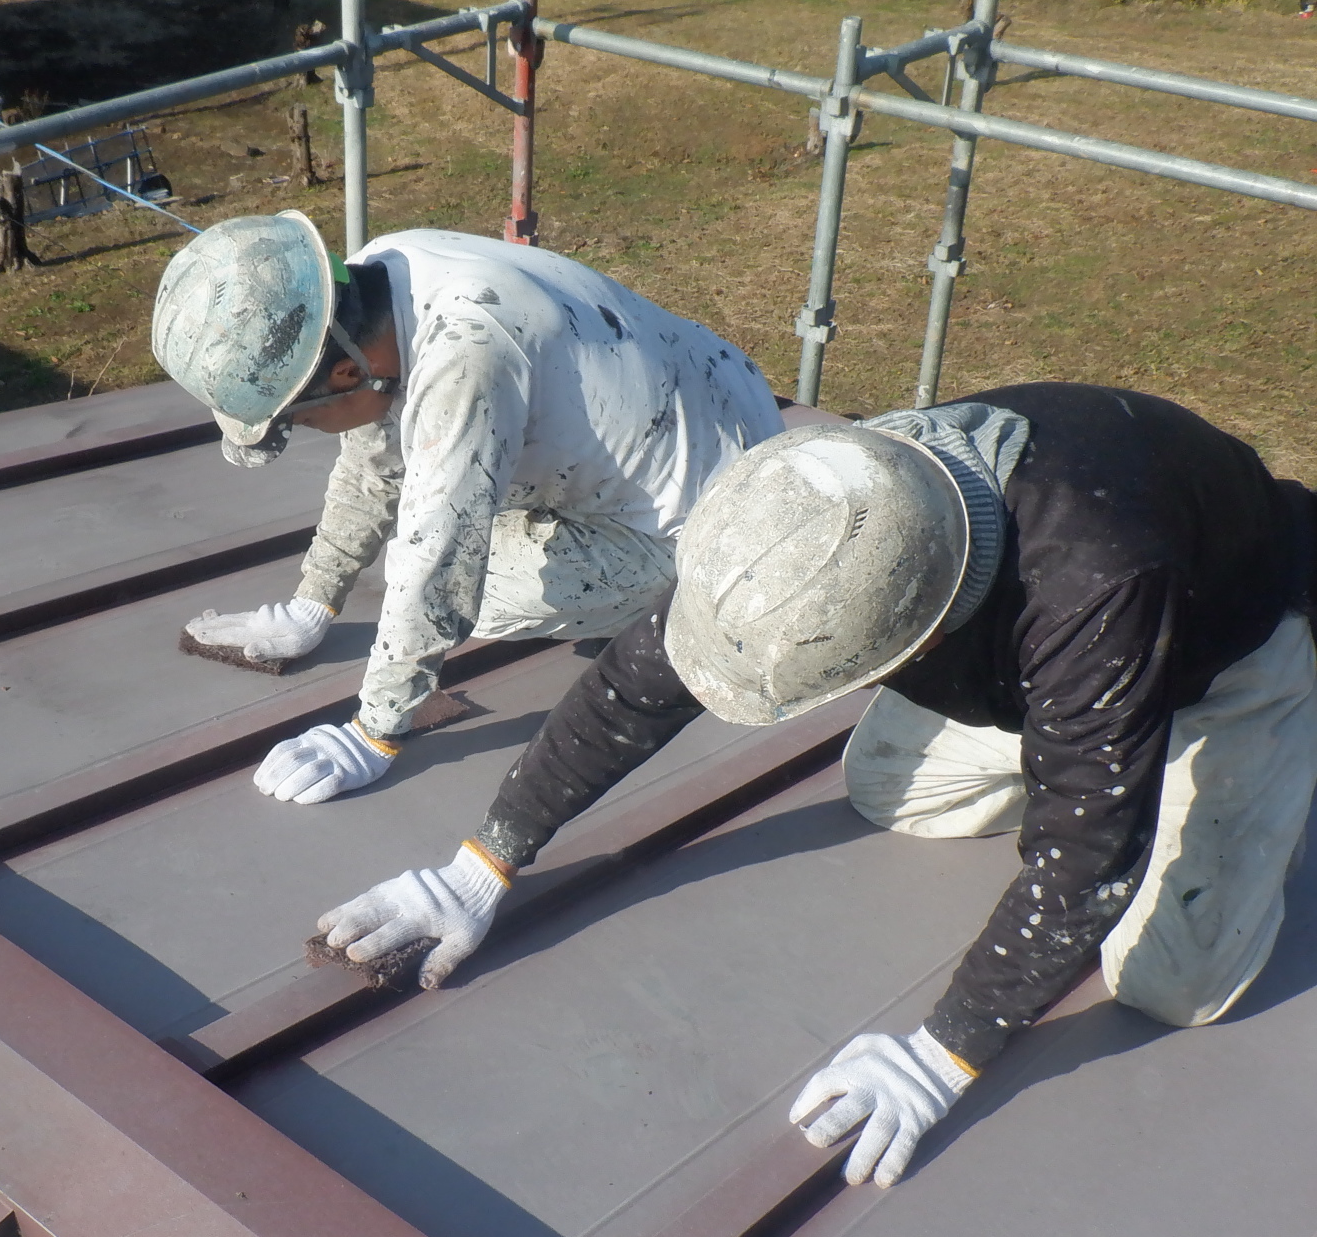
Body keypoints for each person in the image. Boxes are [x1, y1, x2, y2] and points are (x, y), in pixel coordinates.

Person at [315, 384, 1317, 1187]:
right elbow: (638, 685)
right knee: (887, 790)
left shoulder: (1097, 583)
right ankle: (1092, 744)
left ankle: (1214, 745)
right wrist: (482, 863)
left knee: (1170, 986)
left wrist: (945, 1052)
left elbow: (1088, 853)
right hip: (1052, 664)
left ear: (926, 626)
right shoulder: (827, 503)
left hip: (1224, 655)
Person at [151, 211, 783, 805]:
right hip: (716, 400)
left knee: (457, 580)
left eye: (300, 420)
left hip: (717, 528)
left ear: (345, 375)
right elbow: (374, 460)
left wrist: (375, 730)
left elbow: (439, 561)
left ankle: (661, 603)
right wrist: (311, 603)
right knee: (432, 512)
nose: (308, 431)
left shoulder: (466, 359)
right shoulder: (377, 275)